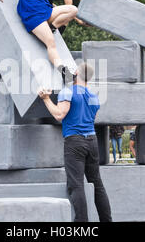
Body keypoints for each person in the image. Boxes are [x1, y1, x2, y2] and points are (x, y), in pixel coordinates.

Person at [38, 62, 112, 222]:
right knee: (97, 183)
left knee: (76, 185)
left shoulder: (68, 91)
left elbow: (59, 115)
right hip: (92, 141)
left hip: (75, 142)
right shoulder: (94, 97)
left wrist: (46, 99)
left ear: (77, 72)